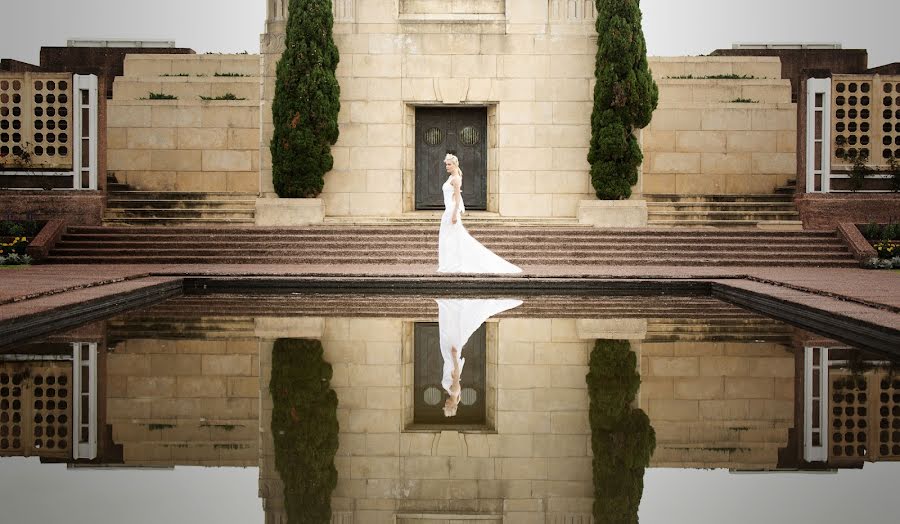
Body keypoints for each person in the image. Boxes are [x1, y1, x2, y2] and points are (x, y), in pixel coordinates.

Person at [437, 153, 523, 274]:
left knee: (454, 239)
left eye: (449, 164)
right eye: (446, 164)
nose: (447, 166)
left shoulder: (456, 179)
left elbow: (457, 198)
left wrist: (455, 214)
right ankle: (449, 263)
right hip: (448, 211)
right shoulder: (451, 177)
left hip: (452, 211)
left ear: (455, 164)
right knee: (448, 238)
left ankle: (454, 265)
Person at [437, 298, 522, 417]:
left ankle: (451, 309)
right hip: (451, 359)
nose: (445, 404)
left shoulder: (455, 395)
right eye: (447, 406)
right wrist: (455, 356)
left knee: (449, 332)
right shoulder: (455, 392)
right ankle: (451, 307)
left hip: (449, 360)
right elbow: (456, 374)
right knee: (449, 332)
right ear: (452, 405)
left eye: (444, 406)